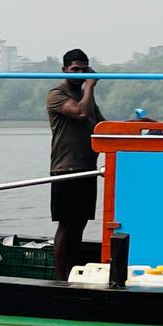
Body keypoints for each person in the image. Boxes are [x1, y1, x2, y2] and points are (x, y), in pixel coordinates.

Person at [46, 48, 106, 281]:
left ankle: (72, 274)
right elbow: (81, 113)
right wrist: (90, 86)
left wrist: (137, 124)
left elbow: (103, 125)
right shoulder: (56, 94)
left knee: (79, 224)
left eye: (84, 70)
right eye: (75, 69)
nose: (80, 74)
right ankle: (59, 278)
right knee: (66, 225)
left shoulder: (86, 98)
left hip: (87, 168)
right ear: (65, 70)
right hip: (65, 169)